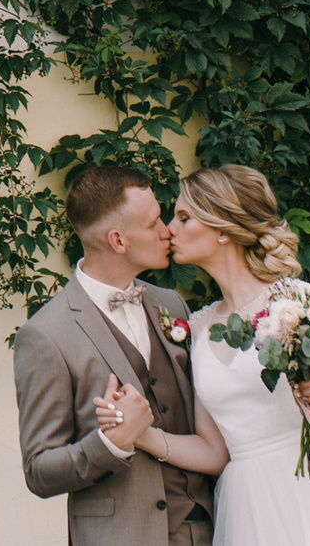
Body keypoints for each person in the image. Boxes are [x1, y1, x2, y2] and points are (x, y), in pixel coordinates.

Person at [92, 163, 310, 546]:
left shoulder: (301, 305)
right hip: (251, 510)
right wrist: (142, 435)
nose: (170, 229)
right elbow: (215, 452)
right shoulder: (198, 328)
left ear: (221, 228)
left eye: (184, 217)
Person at [14, 164, 217, 546]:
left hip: (210, 528)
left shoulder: (171, 304)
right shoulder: (45, 335)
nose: (167, 231)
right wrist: (112, 443)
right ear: (118, 241)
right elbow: (39, 471)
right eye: (154, 223)